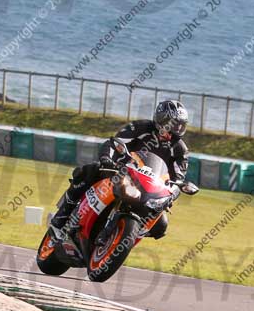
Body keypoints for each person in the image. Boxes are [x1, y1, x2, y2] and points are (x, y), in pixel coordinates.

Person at [50, 100, 190, 239]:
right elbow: (115, 142)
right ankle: (62, 216)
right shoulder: (140, 127)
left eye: (180, 126)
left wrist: (170, 196)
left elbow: (178, 179)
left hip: (148, 189)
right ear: (161, 120)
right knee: (90, 170)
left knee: (161, 225)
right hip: (120, 171)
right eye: (173, 125)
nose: (175, 131)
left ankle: (126, 237)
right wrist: (107, 159)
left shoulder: (180, 149)